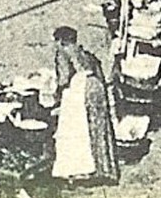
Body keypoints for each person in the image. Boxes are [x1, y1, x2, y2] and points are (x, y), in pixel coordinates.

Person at [51, 26, 119, 185]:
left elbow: (64, 78)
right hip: (97, 87)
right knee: (98, 128)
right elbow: (100, 73)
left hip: (80, 89)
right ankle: (103, 168)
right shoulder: (86, 54)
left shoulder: (63, 52)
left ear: (61, 41)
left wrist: (57, 95)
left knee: (77, 129)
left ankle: (78, 171)